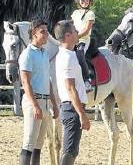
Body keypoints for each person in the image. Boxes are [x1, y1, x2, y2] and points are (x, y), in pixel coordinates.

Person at [19, 20, 59, 165]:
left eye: (47, 31)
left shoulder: (44, 53)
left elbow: (47, 81)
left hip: (46, 101)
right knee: (29, 143)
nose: (46, 34)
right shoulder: (27, 54)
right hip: (33, 101)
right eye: (43, 31)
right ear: (33, 33)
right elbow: (26, 82)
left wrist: (54, 104)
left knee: (38, 145)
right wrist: (35, 105)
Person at [54, 20, 91, 165]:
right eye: (75, 31)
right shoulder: (67, 57)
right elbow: (70, 88)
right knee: (70, 150)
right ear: (68, 36)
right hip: (72, 108)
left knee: (72, 150)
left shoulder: (69, 55)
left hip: (72, 107)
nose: (77, 33)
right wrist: (82, 114)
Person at [71, 0, 95, 92]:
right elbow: (71, 26)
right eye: (82, 0)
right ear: (78, 1)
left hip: (83, 40)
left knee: (80, 54)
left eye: (86, 0)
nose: (84, 2)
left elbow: (86, 29)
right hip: (73, 40)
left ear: (90, 1)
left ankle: (87, 80)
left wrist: (77, 37)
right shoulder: (75, 13)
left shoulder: (90, 14)